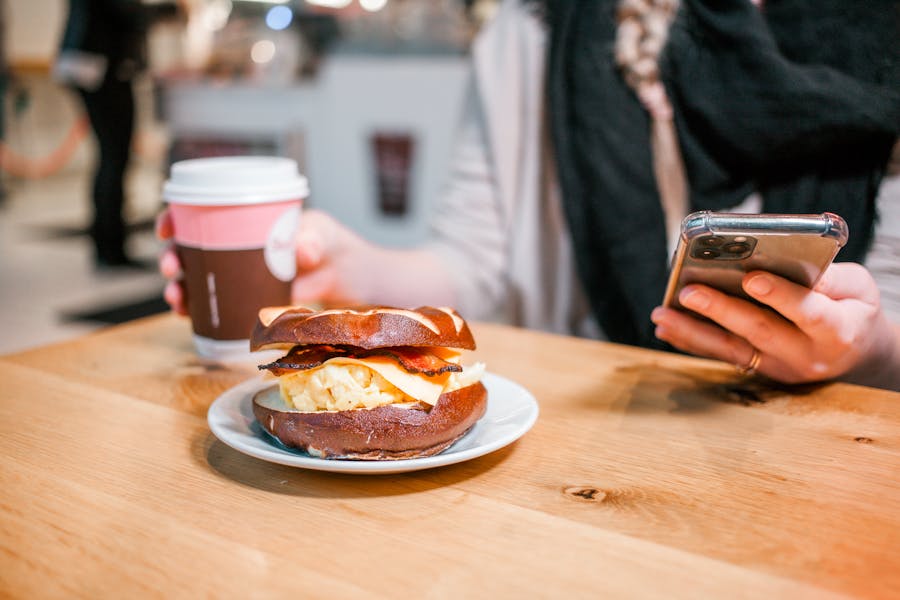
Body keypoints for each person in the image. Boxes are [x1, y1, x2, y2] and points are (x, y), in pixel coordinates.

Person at [158, 0, 900, 391]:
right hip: (583, 437)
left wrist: (860, 351)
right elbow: (475, 266)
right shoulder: (535, 27)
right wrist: (352, 267)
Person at [57, 0, 178, 268]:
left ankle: (108, 243)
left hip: (91, 63)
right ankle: (110, 248)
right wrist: (171, 9)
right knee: (114, 157)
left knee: (111, 157)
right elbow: (126, 12)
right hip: (101, 68)